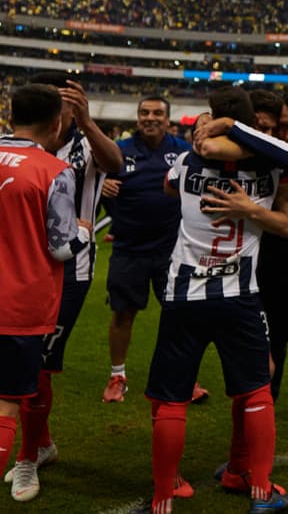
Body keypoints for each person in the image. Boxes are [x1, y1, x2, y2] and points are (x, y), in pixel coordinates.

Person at [0, 73, 123, 503]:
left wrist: (89, 123)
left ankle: (28, 455)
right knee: (19, 374)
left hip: (69, 271)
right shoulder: (3, 148)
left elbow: (114, 164)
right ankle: (33, 448)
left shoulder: (84, 145)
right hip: (14, 275)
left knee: (39, 369)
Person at [144, 86, 288, 514]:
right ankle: (262, 491)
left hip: (183, 293)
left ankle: (162, 498)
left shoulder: (185, 161)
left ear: (212, 117)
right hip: (239, 294)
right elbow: (285, 213)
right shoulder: (273, 165)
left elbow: (169, 188)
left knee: (172, 399)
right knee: (255, 392)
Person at [195, 84, 288, 485]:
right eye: (284, 127)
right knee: (263, 372)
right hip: (269, 282)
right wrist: (208, 125)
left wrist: (232, 125)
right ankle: (250, 456)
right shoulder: (271, 150)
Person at [100, 96, 203, 404]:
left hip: (173, 251)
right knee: (122, 314)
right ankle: (117, 375)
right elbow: (100, 187)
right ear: (137, 117)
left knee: (178, 316)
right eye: (145, 112)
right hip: (129, 249)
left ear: (168, 119)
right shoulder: (120, 150)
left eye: (157, 113)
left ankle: (184, 376)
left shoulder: (183, 151)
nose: (150, 118)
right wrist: (105, 189)